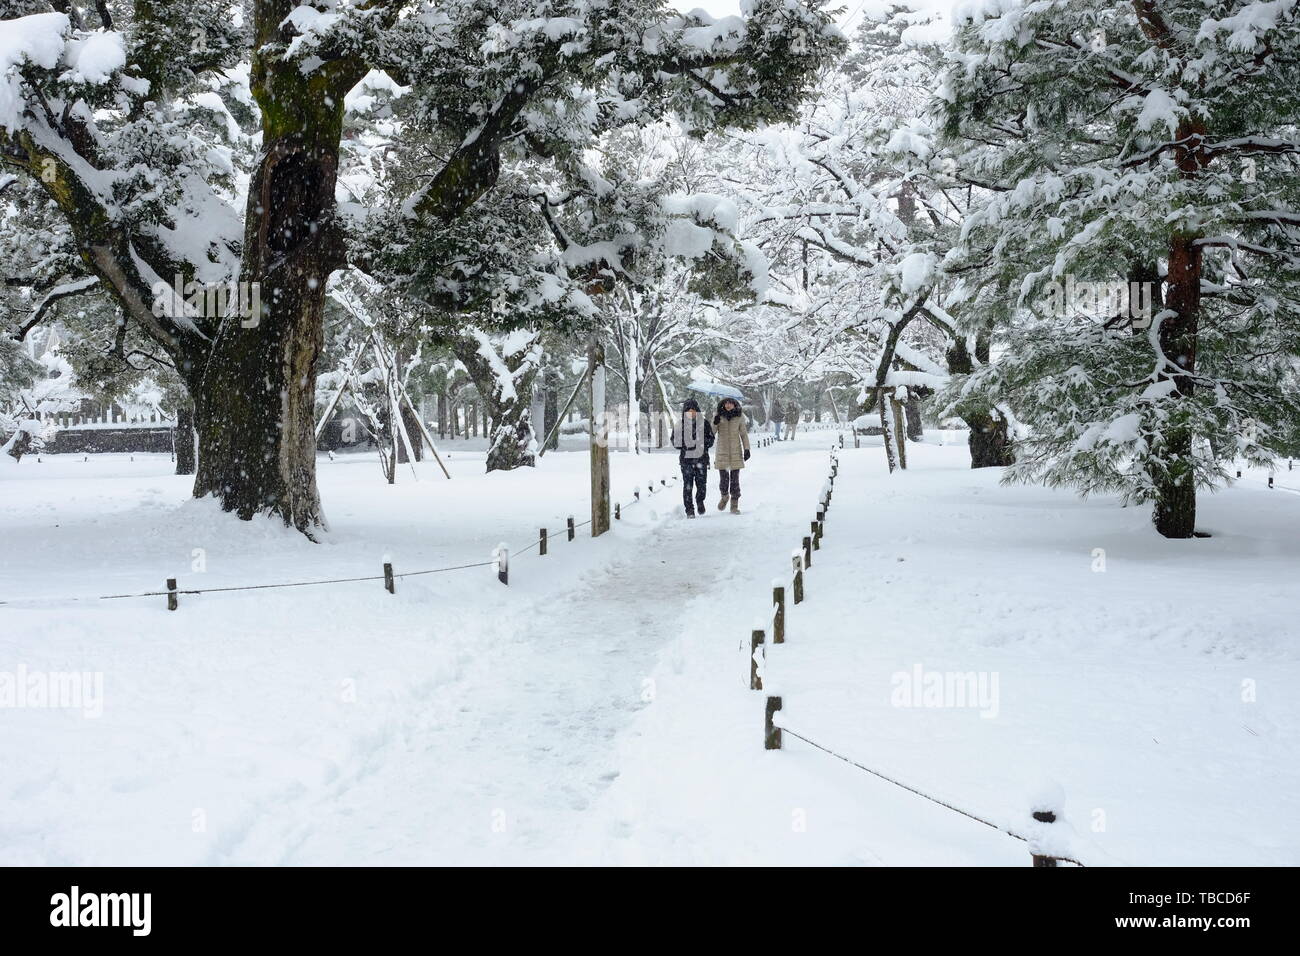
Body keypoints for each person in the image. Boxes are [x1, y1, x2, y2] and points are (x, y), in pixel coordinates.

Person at [670, 398, 714, 518]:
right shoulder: (680, 425)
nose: (691, 412)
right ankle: (689, 509)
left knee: (702, 485)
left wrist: (702, 442)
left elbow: (711, 440)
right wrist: (685, 442)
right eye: (688, 410)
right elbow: (674, 442)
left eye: (693, 410)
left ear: (697, 410)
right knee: (687, 486)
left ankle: (700, 501)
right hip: (686, 461)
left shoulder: (704, 423)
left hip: (701, 459)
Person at [712, 397, 751, 514]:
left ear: (735, 405)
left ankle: (734, 505)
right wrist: (715, 422)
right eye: (726, 403)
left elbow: (743, 434)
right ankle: (724, 497)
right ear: (723, 405)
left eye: (730, 403)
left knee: (735, 481)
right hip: (722, 452)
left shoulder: (739, 417)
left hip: (735, 453)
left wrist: (747, 449)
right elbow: (711, 433)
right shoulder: (718, 415)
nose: (728, 405)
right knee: (723, 480)